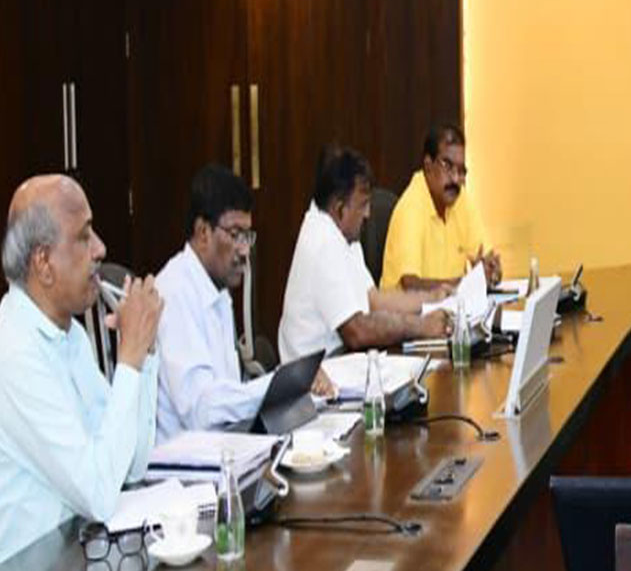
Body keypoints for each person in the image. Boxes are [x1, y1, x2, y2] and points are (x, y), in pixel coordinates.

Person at [0, 176, 162, 562]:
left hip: (78, 562)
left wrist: (145, 352)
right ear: (43, 262)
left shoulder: (69, 335)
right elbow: (99, 493)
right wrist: (130, 358)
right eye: (84, 236)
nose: (100, 249)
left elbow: (133, 463)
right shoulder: (14, 352)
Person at [155, 165, 332, 440]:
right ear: (203, 232)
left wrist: (290, 385)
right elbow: (202, 410)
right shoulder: (173, 292)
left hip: (223, 450)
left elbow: (227, 392)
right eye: (236, 234)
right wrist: (277, 386)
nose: (244, 250)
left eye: (248, 236)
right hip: (187, 469)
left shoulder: (215, 288)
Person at [279, 145, 449, 363]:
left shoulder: (343, 233)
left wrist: (433, 299)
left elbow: (373, 300)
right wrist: (422, 326)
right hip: (317, 378)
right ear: (340, 208)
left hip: (341, 362)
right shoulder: (322, 241)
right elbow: (357, 332)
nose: (368, 214)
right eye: (363, 205)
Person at [381, 123, 501, 291]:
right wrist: (467, 283)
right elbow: (410, 285)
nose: (455, 178)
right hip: (409, 314)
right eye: (447, 166)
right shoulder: (410, 209)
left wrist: (492, 269)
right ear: (428, 166)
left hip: (450, 311)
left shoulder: (461, 200)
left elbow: (485, 257)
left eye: (461, 170)